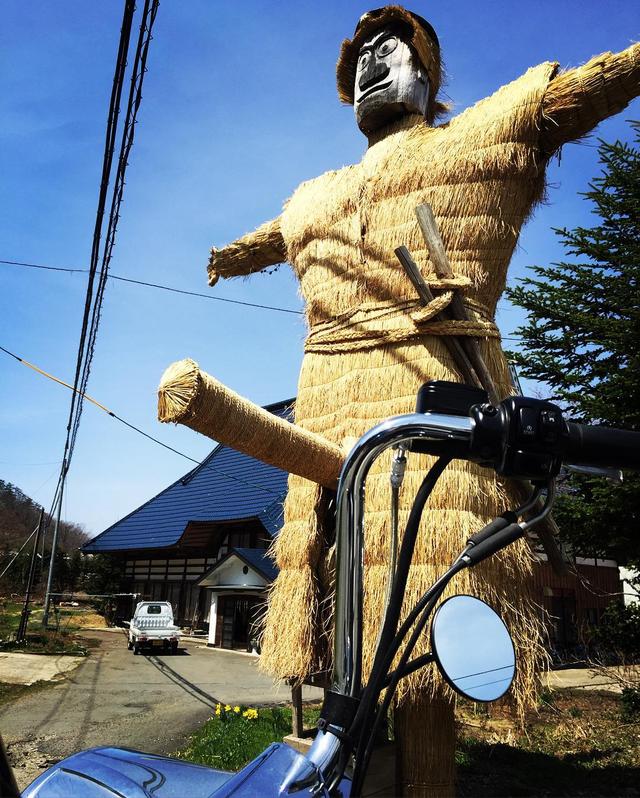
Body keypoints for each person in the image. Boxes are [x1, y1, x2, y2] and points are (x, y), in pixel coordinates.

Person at [208, 8, 639, 795]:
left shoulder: (471, 142)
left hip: (433, 406)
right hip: (327, 407)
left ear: (429, 74)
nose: (373, 62)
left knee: (430, 626)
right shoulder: (316, 199)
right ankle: (339, 761)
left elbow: (578, 94)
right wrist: (229, 256)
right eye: (361, 56)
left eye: (393, 49)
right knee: (336, 612)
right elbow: (274, 235)